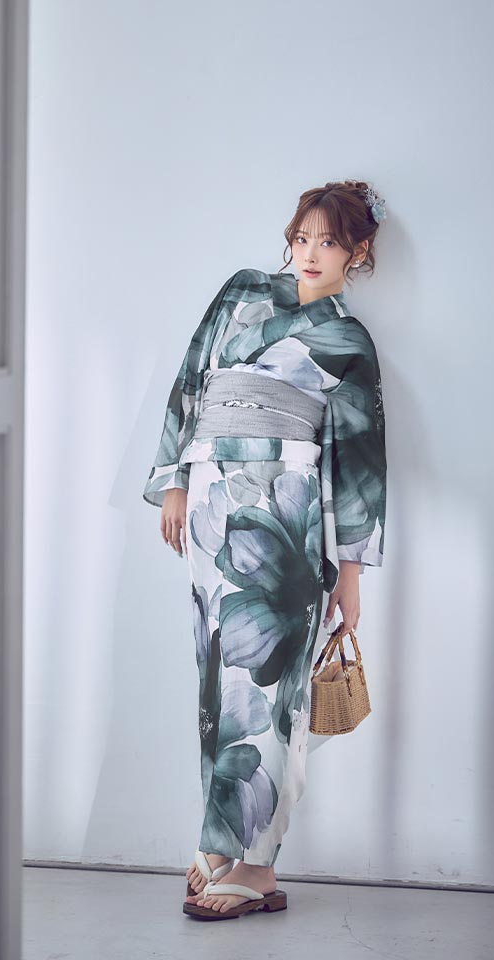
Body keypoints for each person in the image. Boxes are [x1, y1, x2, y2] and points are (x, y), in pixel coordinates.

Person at [142, 179, 388, 920]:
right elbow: (191, 379)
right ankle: (226, 846)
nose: (310, 253)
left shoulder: (350, 344)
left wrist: (350, 576)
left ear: (358, 252)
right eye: (302, 237)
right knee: (217, 682)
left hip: (288, 518)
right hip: (211, 506)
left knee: (272, 690)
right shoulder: (242, 292)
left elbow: (360, 467)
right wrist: (176, 479)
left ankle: (254, 865)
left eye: (329, 242)